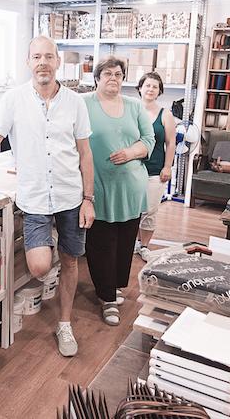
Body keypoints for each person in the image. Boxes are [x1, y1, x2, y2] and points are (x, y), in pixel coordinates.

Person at [0, 35, 95, 358]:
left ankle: (64, 323)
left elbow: (85, 153)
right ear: (28, 62)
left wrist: (89, 199)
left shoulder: (75, 103)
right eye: (36, 57)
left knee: (70, 260)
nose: (43, 63)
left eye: (48, 56)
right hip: (35, 198)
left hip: (70, 195)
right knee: (39, 266)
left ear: (57, 61)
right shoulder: (13, 100)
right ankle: (50, 243)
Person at [83, 56, 154, 326]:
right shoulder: (83, 104)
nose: (113, 78)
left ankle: (114, 286)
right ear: (97, 78)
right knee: (101, 241)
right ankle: (106, 296)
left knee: (125, 241)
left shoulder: (134, 106)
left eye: (118, 74)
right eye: (107, 74)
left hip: (131, 186)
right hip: (98, 185)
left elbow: (149, 139)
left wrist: (130, 153)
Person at [135, 72, 176, 262]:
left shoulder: (165, 114)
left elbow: (171, 143)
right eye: (147, 85)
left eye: (155, 87)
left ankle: (144, 246)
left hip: (155, 170)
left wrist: (167, 167)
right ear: (140, 88)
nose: (150, 89)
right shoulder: (132, 110)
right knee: (132, 209)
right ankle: (132, 243)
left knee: (149, 211)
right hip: (132, 169)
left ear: (159, 91)